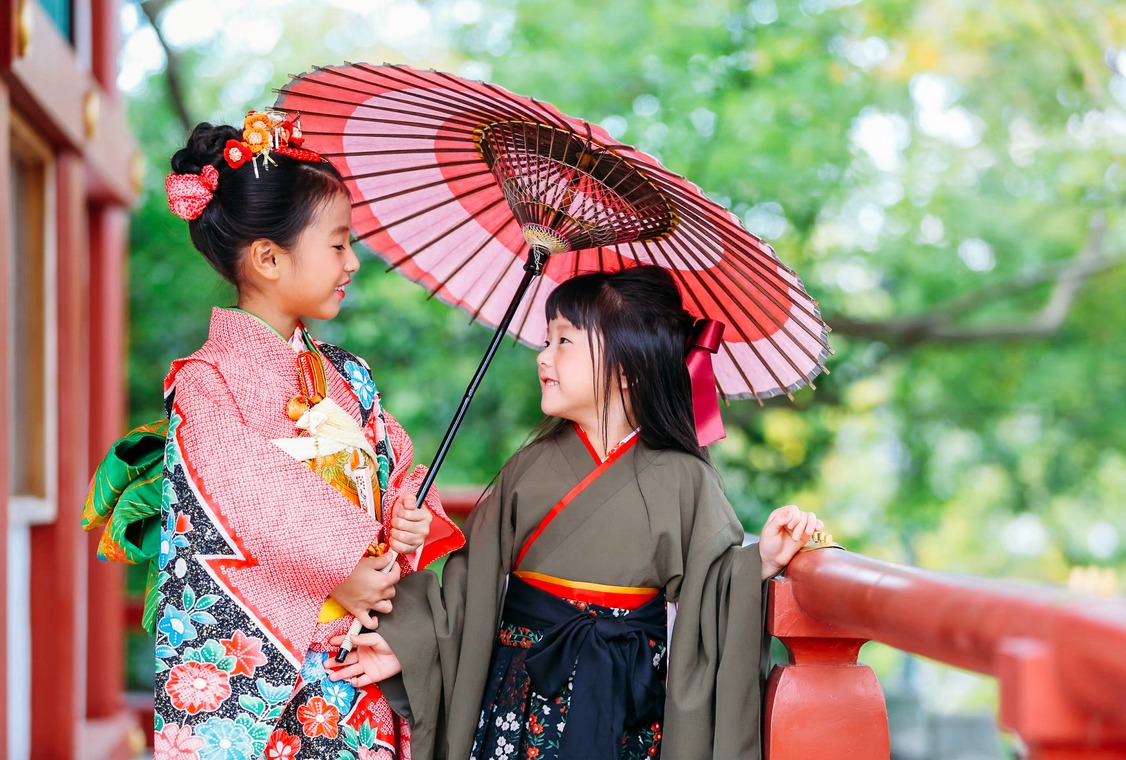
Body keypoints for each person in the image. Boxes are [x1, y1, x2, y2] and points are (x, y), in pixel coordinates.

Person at [329, 265, 823, 760]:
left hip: (624, 699)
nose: (544, 356)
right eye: (546, 340)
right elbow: (467, 588)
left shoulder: (684, 477)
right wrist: (407, 641)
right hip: (519, 697)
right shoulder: (528, 467)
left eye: (564, 341)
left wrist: (759, 562)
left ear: (629, 367)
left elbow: (710, 588)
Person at [149, 112, 463, 760]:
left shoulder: (349, 375)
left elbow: (396, 471)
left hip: (354, 670)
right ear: (268, 257)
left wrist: (405, 516)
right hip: (272, 668)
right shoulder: (207, 382)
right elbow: (240, 497)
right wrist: (341, 569)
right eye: (338, 244)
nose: (352, 262)